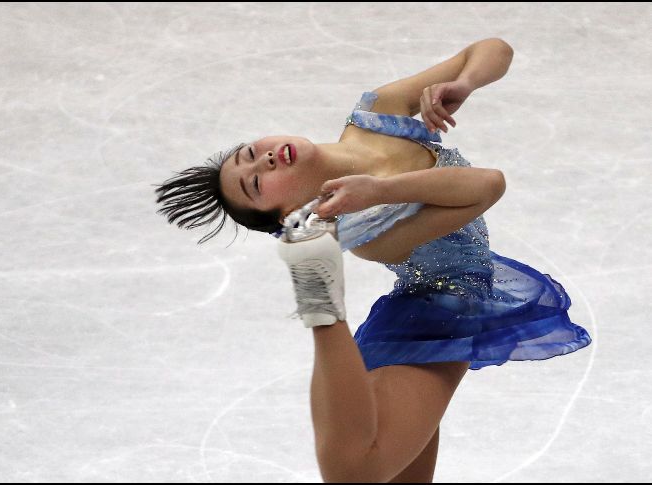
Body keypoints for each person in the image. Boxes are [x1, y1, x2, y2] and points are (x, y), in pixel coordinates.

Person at [154, 38, 591, 483]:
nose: (264, 160)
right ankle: (320, 303)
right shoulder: (369, 235)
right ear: (289, 217)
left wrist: (464, 82)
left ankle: (323, 308)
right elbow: (487, 186)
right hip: (436, 317)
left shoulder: (375, 115)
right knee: (355, 474)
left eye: (249, 154)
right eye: (257, 184)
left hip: (433, 313)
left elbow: (493, 48)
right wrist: (381, 192)